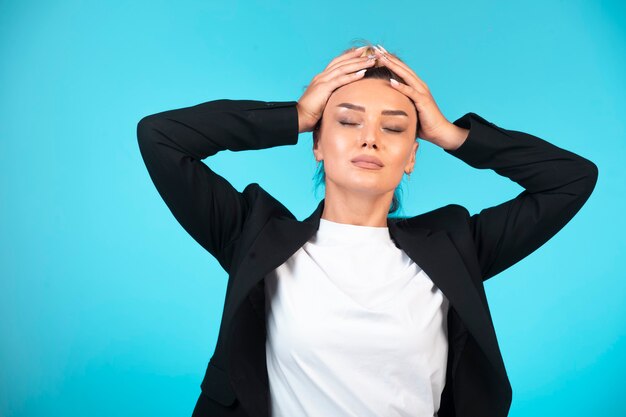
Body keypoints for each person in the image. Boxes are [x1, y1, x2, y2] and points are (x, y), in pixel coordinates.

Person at [136, 43, 598, 417]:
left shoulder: (458, 248)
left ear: (412, 156)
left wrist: (448, 133)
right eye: (348, 120)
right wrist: (294, 116)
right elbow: (160, 137)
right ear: (318, 141)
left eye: (395, 129)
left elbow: (571, 179)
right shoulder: (253, 236)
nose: (370, 137)